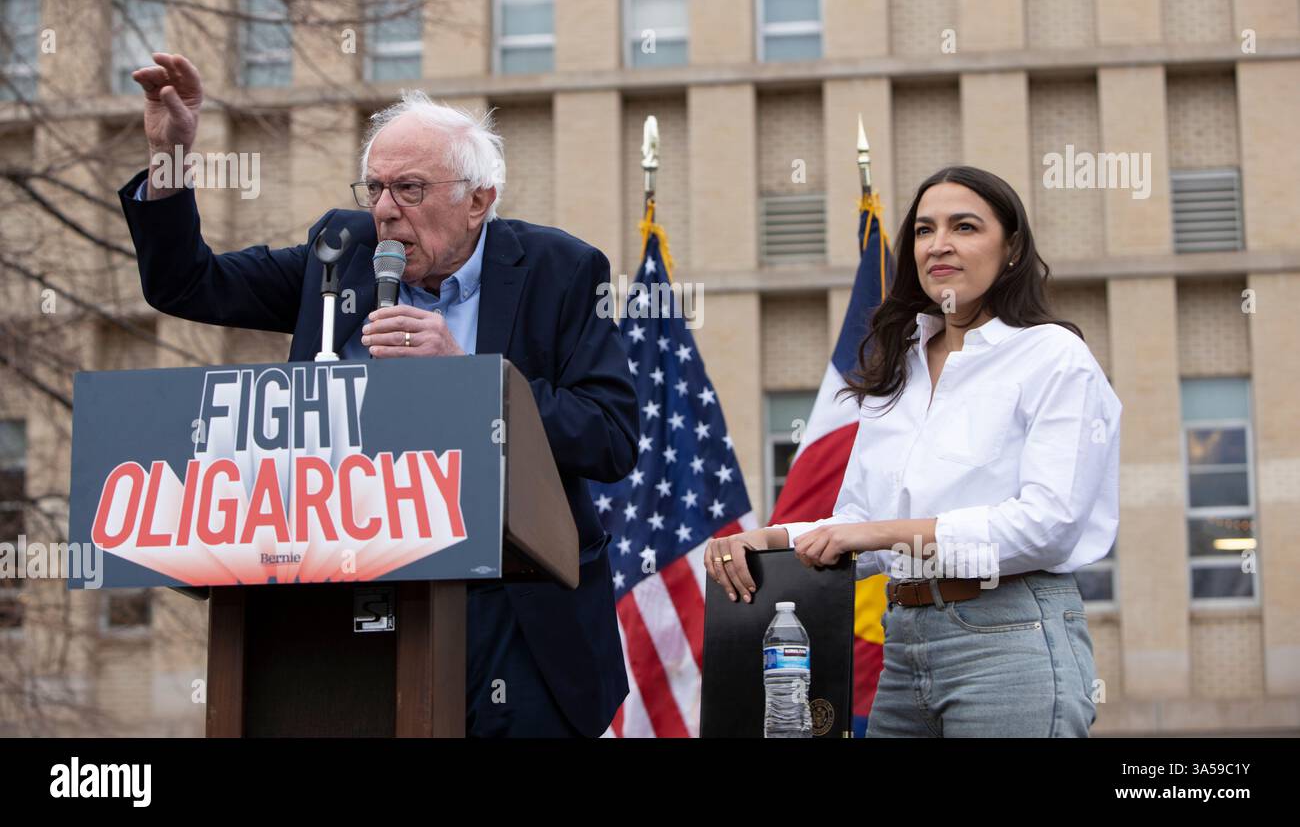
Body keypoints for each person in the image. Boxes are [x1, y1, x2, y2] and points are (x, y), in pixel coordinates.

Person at [120, 52, 638, 737]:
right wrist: (169, 157)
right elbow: (186, 284)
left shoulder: (560, 270)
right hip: (349, 603)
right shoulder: (340, 252)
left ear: (479, 199)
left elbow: (609, 434)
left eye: (412, 190)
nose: (387, 213)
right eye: (376, 189)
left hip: (511, 607)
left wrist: (473, 379)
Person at [704, 165, 1121, 737]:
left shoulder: (1052, 357)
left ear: (1013, 249)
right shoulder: (897, 369)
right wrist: (776, 540)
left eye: (965, 226)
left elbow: (1049, 525)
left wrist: (875, 534)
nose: (939, 244)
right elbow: (858, 525)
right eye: (924, 230)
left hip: (1011, 637)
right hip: (904, 644)